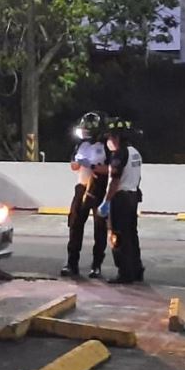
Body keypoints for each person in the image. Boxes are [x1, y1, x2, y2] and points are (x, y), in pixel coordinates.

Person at [61, 111, 110, 278]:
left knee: (100, 227)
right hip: (81, 187)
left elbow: (112, 169)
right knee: (75, 224)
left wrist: (94, 167)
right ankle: (71, 263)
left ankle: (96, 266)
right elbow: (73, 165)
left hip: (99, 187)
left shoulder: (106, 146)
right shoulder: (81, 145)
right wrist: (78, 163)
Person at [98, 119, 144, 284]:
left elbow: (114, 181)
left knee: (118, 236)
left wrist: (106, 201)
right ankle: (136, 269)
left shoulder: (119, 154)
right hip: (132, 196)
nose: (109, 141)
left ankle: (124, 273)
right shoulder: (135, 153)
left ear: (117, 138)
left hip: (121, 198)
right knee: (132, 235)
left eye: (110, 137)